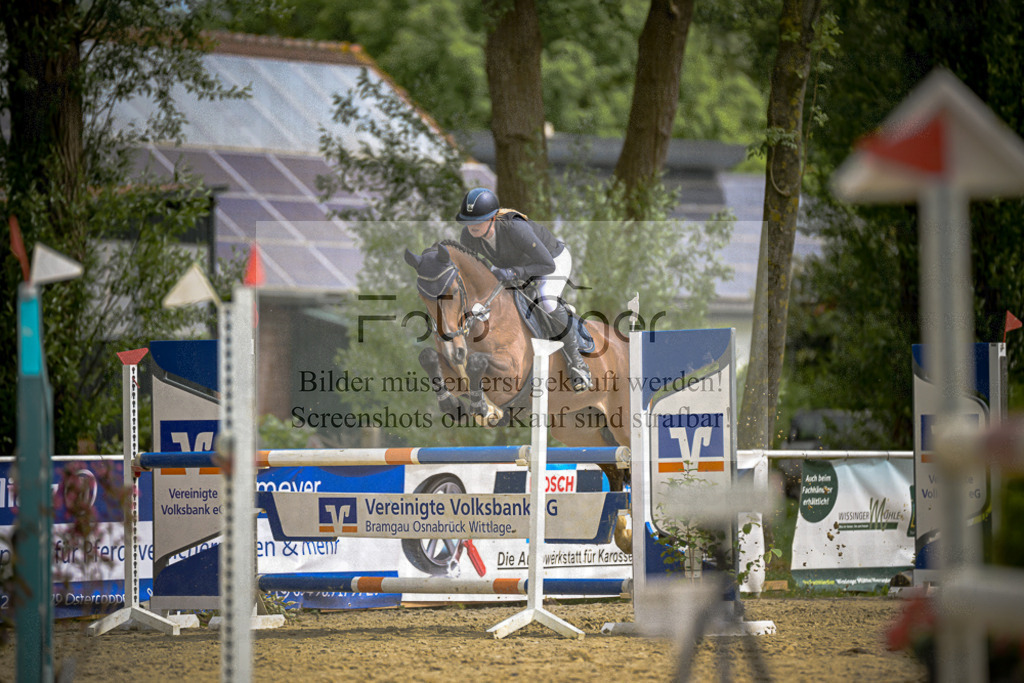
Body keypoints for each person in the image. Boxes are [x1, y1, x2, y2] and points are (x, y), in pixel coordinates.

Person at [455, 187, 591, 392]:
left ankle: (577, 364)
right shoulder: (468, 237)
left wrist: (512, 273)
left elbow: (547, 265)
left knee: (546, 299)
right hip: (511, 265)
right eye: (469, 221)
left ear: (492, 219)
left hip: (551, 260)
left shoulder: (514, 228)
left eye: (478, 221)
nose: (472, 226)